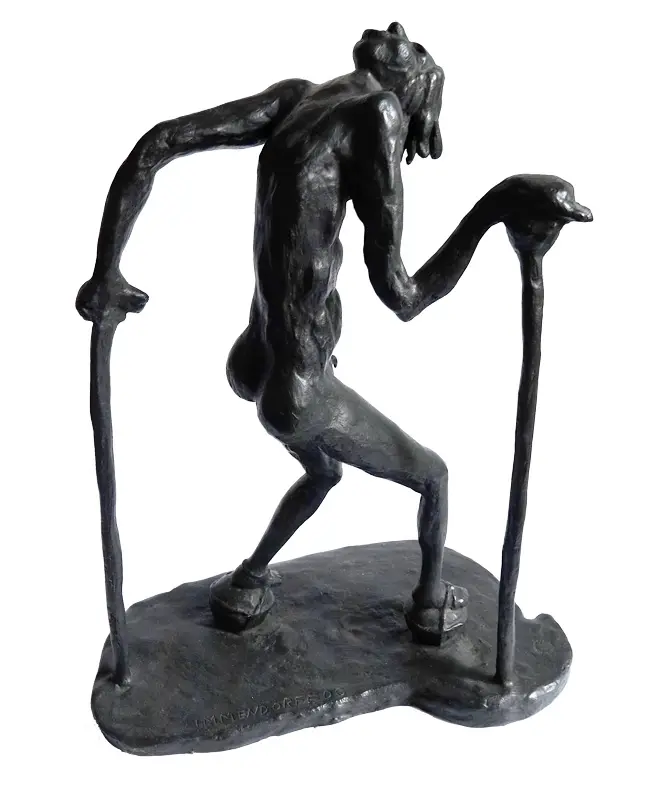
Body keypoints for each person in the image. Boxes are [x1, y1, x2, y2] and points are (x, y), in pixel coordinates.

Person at [76, 22, 591, 642]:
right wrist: (494, 207)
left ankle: (247, 583)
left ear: (417, 87)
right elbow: (404, 296)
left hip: (255, 359)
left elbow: (159, 144)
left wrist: (107, 271)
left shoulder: (306, 103)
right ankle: (430, 607)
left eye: (419, 50)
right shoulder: (358, 107)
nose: (399, 28)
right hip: (297, 383)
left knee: (323, 473)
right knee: (434, 478)